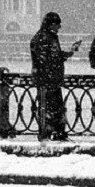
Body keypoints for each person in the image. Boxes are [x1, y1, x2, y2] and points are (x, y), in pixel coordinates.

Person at [30, 12, 81, 142]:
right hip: (46, 80)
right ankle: (46, 134)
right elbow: (48, 60)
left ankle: (57, 132)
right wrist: (63, 56)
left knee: (55, 107)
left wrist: (70, 52)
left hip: (52, 79)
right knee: (47, 107)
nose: (59, 27)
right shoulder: (42, 38)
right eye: (57, 24)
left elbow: (53, 57)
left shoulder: (48, 37)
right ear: (51, 24)